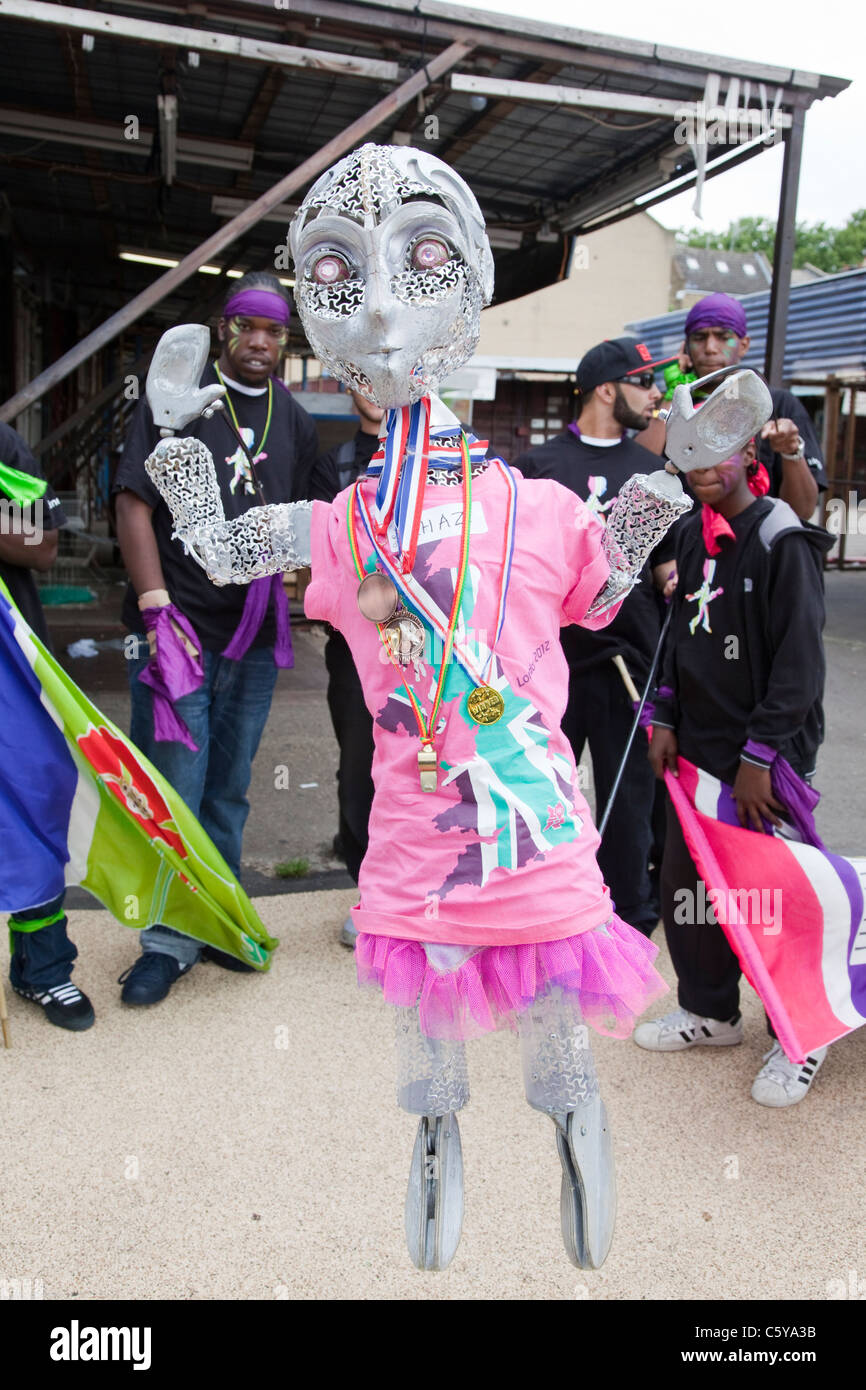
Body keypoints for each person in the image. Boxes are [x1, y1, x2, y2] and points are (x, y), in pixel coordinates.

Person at [142, 145, 766, 1270]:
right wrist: (185, 452)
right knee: (449, 1032)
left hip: (510, 829)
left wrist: (679, 472)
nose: (378, 300)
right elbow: (230, 548)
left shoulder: (518, 506)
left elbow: (607, 578)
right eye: (344, 269)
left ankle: (551, 1119)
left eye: (417, 258)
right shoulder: (356, 522)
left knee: (534, 1022)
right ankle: (462, 1133)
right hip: (427, 840)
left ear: (464, 283)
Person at [113, 271, 318, 1005]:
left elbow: (321, 516)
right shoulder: (176, 397)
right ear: (221, 327)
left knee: (228, 792)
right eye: (245, 326)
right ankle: (166, 941)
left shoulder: (293, 419)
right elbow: (134, 501)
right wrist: (156, 610)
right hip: (182, 630)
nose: (259, 341)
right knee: (176, 788)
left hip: (255, 641)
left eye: (273, 331)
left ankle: (218, 916)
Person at [636, 439, 834, 1105]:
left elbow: (801, 665)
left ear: (747, 454)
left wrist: (762, 757)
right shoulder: (691, 533)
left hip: (763, 758)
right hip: (700, 748)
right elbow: (677, 639)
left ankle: (801, 1031)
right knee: (688, 888)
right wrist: (662, 715)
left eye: (715, 457)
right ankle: (711, 1011)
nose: (700, 473)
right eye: (689, 459)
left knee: (772, 897)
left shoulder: (783, 537)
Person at [514, 338, 676, 938]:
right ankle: (542, 910)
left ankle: (628, 918)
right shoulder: (535, 467)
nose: (654, 395)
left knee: (629, 798)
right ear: (608, 388)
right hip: (546, 663)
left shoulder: (652, 472)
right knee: (539, 794)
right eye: (644, 382)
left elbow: (664, 568)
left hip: (626, 664)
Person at [0, 422, 94, 1030]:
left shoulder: (4, 447)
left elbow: (42, 545)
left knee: (31, 801)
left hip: (9, 660)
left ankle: (43, 969)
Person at [638, 292, 826, 521]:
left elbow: (802, 512)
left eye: (722, 337)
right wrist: (674, 392)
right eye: (699, 338)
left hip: (755, 549)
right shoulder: (673, 401)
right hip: (686, 549)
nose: (710, 348)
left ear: (744, 345)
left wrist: (792, 452)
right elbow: (639, 470)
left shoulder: (776, 404)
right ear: (686, 347)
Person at [309, 391, 384, 945]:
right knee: (360, 768)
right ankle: (368, 892)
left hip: (429, 651)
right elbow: (322, 556)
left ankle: (431, 894)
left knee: (428, 769)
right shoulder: (331, 465)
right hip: (355, 649)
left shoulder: (441, 459)